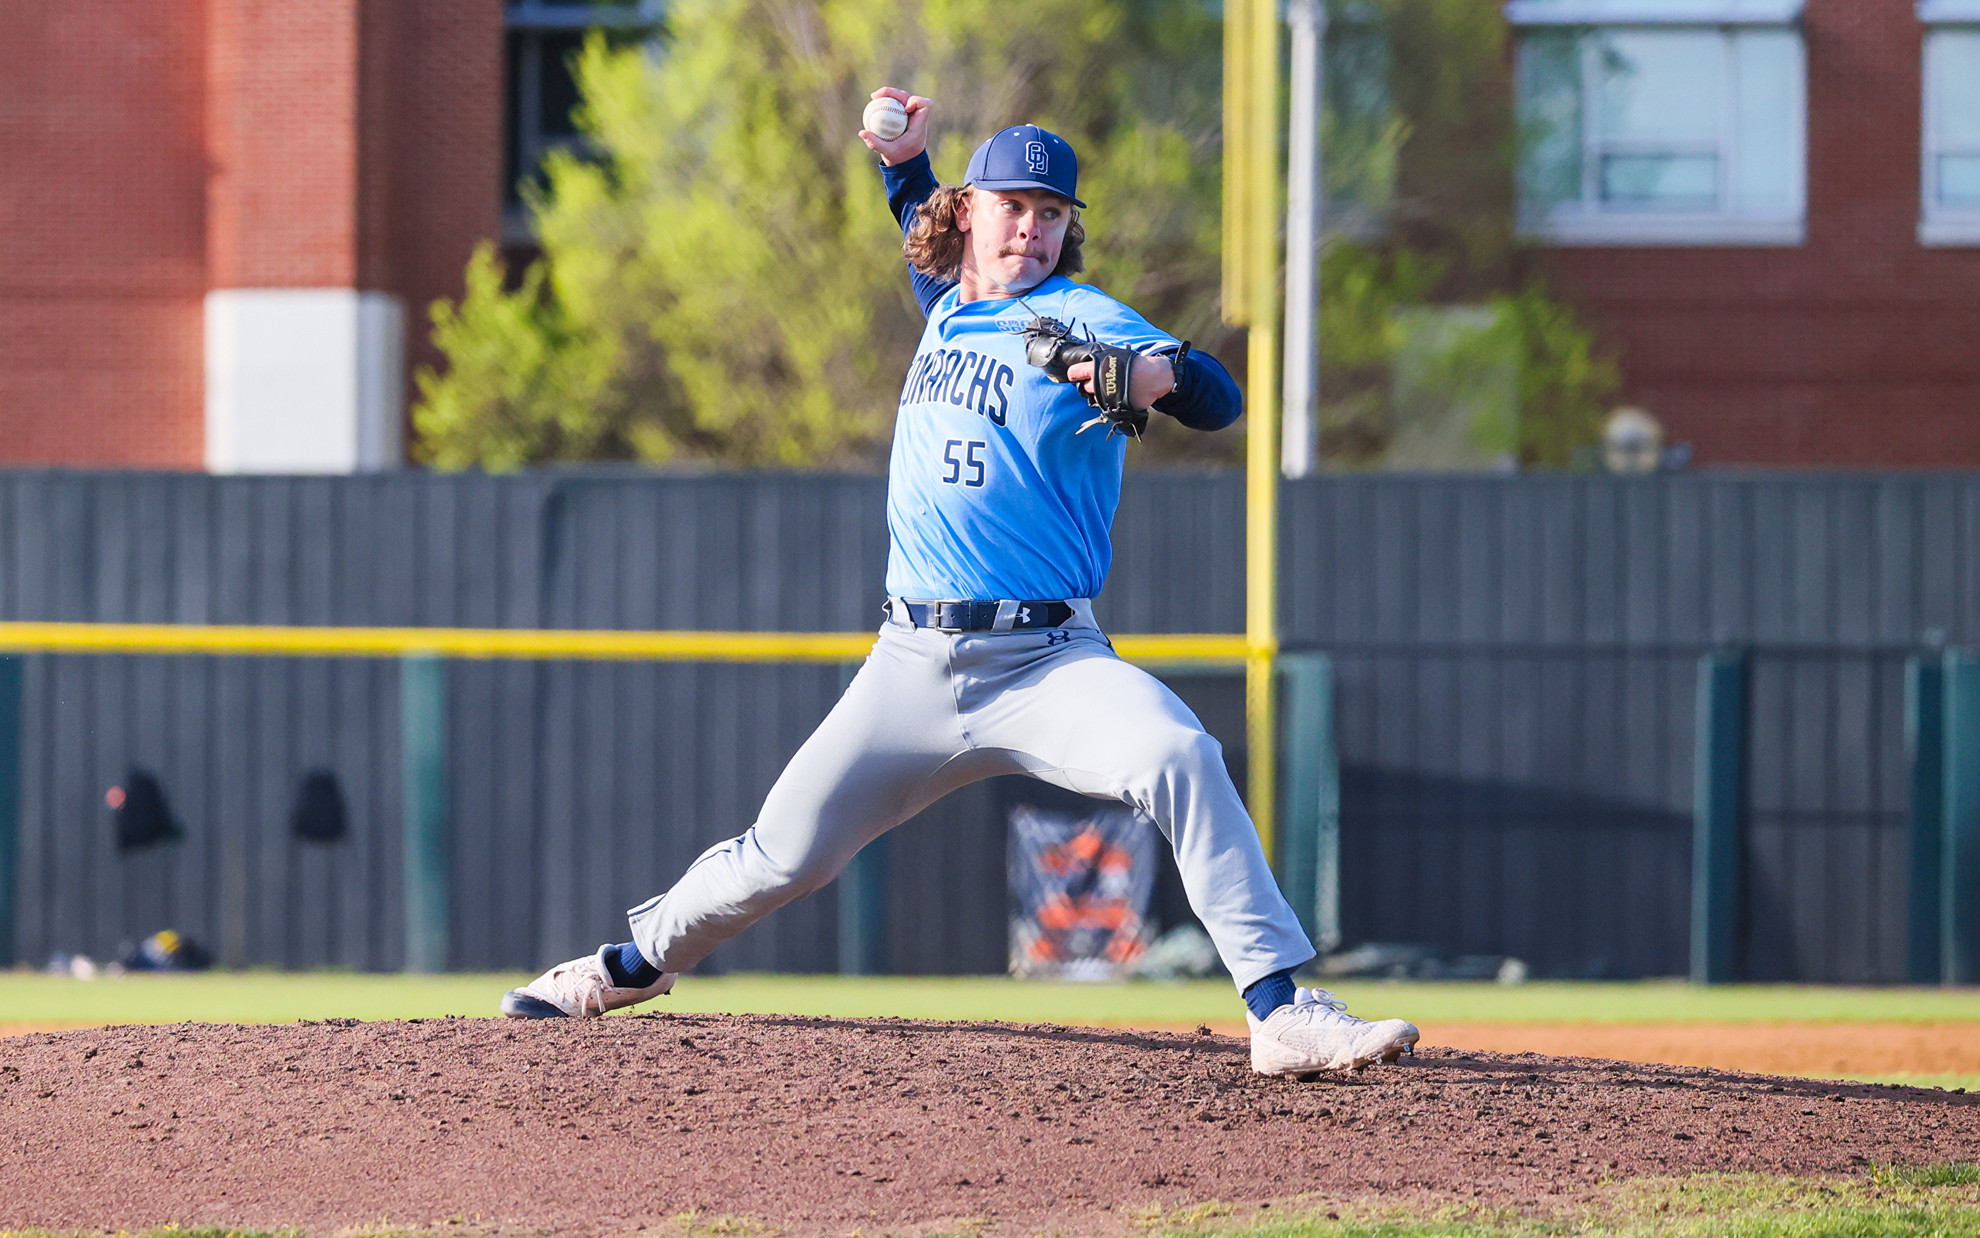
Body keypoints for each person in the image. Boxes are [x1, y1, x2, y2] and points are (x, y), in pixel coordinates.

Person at [500, 87, 1419, 1075]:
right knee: (781, 852)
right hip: (909, 662)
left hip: (1045, 658)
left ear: (1070, 230)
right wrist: (904, 162)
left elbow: (1215, 396)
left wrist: (1145, 375)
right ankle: (630, 963)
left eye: (1052, 212)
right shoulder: (946, 306)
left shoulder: (1079, 314)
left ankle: (1279, 1009)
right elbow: (915, 217)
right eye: (1013, 206)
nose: (1031, 226)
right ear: (971, 211)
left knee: (1178, 752)